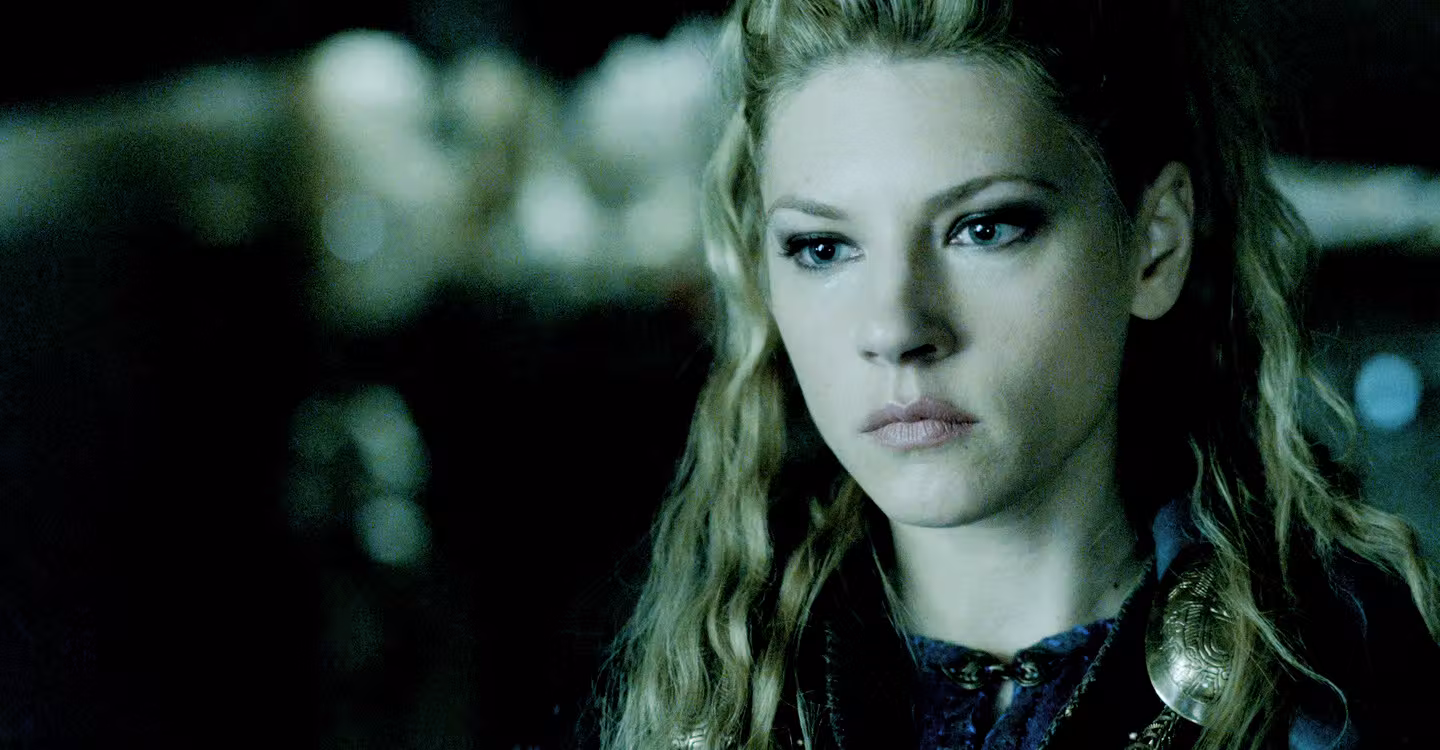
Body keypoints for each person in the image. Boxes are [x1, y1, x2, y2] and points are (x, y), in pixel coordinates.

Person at [594, 1, 1440, 748]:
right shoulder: (697, 689)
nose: (896, 329)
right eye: (824, 248)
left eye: (984, 228)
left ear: (1154, 246)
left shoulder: (1336, 698)